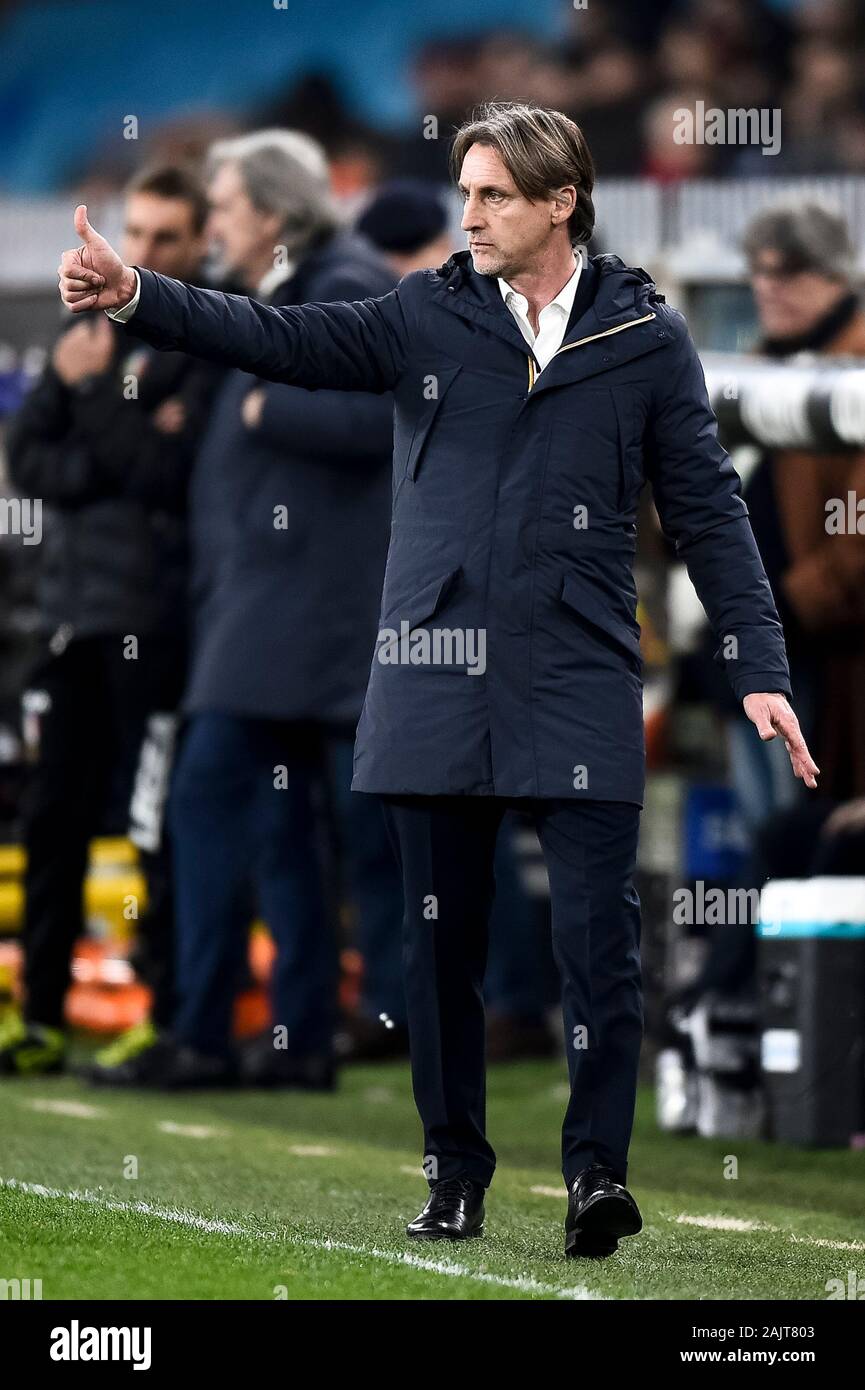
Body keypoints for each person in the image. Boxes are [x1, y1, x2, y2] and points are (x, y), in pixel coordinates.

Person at [58, 101, 818, 1259]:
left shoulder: (645, 339)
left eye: (494, 194)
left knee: (597, 948)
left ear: (563, 201)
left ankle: (594, 1178)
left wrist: (759, 662)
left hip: (577, 670)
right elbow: (282, 340)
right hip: (431, 666)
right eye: (463, 191)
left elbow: (710, 512)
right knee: (436, 945)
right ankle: (454, 1169)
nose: (468, 214)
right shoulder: (421, 313)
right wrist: (139, 297)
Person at [89, 131, 402, 1089]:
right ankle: (295, 1039)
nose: (218, 224)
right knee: (282, 830)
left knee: (212, 801)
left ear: (270, 209)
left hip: (297, 616)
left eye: (225, 207)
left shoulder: (342, 275)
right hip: (269, 611)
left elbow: (385, 413)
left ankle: (204, 1031)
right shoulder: (296, 281)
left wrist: (274, 410)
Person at [1, 163, 217, 1076]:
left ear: (200, 242)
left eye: (172, 238)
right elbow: (28, 461)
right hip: (70, 618)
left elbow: (168, 476)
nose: (154, 251)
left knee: (148, 822)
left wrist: (87, 405)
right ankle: (39, 1016)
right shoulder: (86, 329)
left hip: (155, 622)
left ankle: (160, 1016)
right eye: (145, 234)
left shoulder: (202, 338)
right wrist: (109, 431)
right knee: (53, 818)